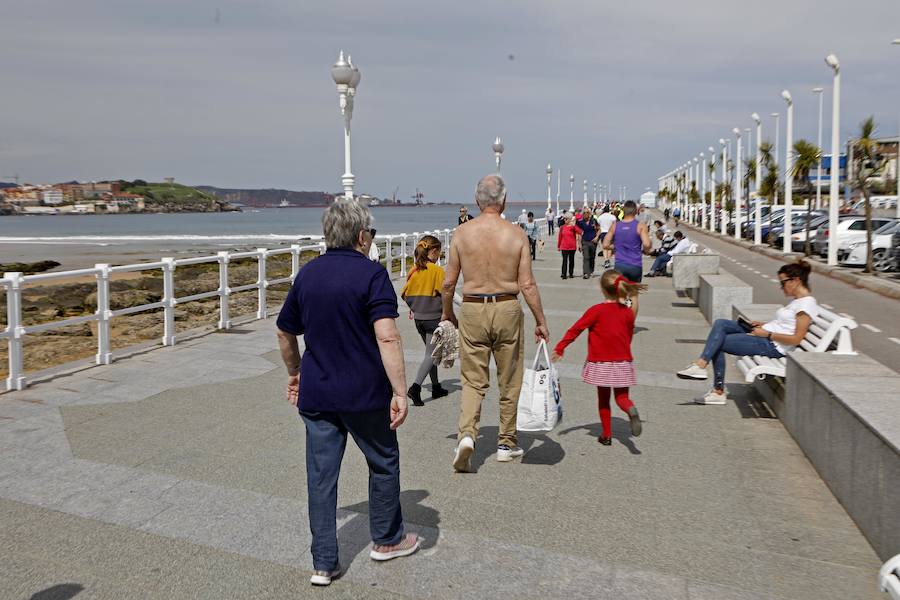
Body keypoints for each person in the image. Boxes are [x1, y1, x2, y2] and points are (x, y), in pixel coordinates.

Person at [276, 199, 420, 587]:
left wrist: (294, 372)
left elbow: (285, 331)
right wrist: (401, 391)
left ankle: (324, 562)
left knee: (321, 478)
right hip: (365, 393)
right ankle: (387, 540)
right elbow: (387, 335)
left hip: (318, 393)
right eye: (370, 232)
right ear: (361, 236)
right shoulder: (372, 275)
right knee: (384, 460)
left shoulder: (307, 276)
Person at [441, 174, 550, 473]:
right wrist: (541, 320)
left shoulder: (462, 234)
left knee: (473, 381)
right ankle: (506, 442)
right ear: (504, 200)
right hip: (506, 307)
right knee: (510, 378)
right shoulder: (515, 234)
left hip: (474, 308)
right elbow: (527, 284)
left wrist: (446, 314)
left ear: (477, 200)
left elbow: (449, 282)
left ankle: (466, 436)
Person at [676, 261, 818, 405]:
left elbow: (796, 339)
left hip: (772, 345)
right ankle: (702, 367)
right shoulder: (798, 301)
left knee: (719, 343)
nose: (781, 287)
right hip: (765, 334)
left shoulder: (806, 305)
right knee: (721, 324)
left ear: (796, 280)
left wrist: (767, 334)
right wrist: (762, 325)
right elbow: (784, 325)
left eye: (783, 283)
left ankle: (714, 386)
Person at [552, 269, 646, 445]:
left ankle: (607, 435)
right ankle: (630, 408)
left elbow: (576, 329)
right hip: (622, 361)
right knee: (621, 397)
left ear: (603, 290)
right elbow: (628, 335)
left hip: (601, 362)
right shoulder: (627, 312)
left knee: (603, 399)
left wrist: (561, 347)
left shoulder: (596, 310)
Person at [401, 235, 450, 406]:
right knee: (431, 355)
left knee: (431, 354)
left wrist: (416, 307)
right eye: (440, 252)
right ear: (434, 251)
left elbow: (405, 294)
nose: (440, 255)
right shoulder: (438, 271)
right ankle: (415, 388)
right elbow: (446, 295)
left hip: (419, 319)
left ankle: (436, 387)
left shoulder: (414, 271)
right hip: (433, 318)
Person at [601, 200, 651, 283]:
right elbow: (646, 244)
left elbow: (605, 245)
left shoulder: (615, 225)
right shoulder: (641, 226)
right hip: (635, 264)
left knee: (621, 293)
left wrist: (615, 246)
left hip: (620, 265)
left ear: (623, 211)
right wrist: (646, 250)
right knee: (633, 293)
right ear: (636, 211)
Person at [576, 207, 599, 278]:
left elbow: (599, 229)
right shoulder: (580, 222)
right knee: (586, 257)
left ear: (590, 214)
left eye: (587, 213)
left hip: (593, 242)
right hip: (585, 241)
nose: (585, 214)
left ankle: (591, 271)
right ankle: (585, 273)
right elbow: (578, 233)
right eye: (584, 213)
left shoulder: (594, 221)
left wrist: (597, 237)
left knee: (592, 257)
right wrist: (579, 244)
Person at [557, 213, 580, 279]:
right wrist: (558, 246)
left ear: (570, 219)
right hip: (564, 247)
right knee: (564, 260)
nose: (565, 220)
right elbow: (560, 237)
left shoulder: (573, 227)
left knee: (571, 260)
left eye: (566, 219)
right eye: (564, 218)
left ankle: (571, 273)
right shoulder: (562, 227)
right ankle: (564, 274)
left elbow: (580, 232)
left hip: (572, 247)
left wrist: (574, 225)